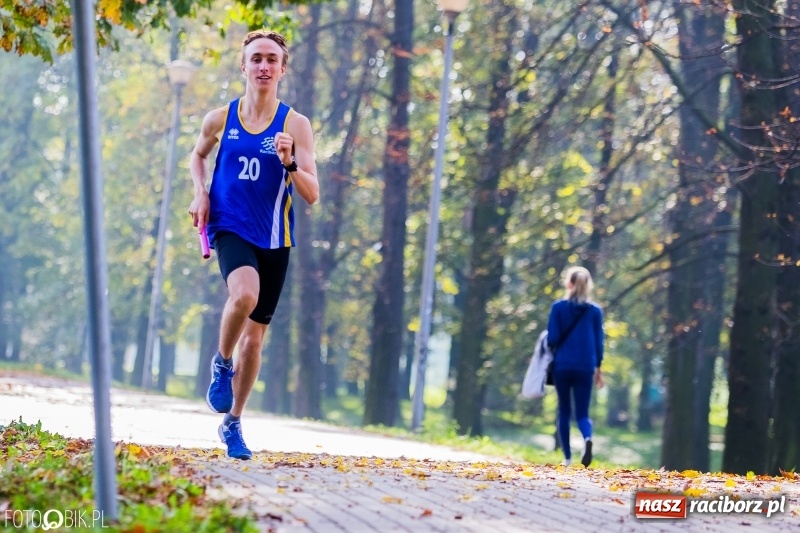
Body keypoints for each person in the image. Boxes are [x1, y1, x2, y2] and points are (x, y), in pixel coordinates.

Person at [188, 30, 319, 459]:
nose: (263, 66)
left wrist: (290, 162)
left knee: (256, 341)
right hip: (230, 225)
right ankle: (221, 364)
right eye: (256, 59)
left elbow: (312, 192)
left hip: (275, 237)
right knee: (244, 294)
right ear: (243, 66)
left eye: (271, 60)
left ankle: (234, 424)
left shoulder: (295, 125)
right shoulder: (220, 118)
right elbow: (198, 154)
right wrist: (200, 191)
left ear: (283, 69)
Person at [547, 266, 604, 467]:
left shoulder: (558, 307)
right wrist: (598, 368)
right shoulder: (595, 311)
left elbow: (552, 338)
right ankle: (587, 438)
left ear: (568, 283)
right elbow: (599, 342)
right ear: (588, 285)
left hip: (562, 365)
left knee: (564, 411)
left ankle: (568, 458)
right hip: (586, 366)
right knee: (582, 413)